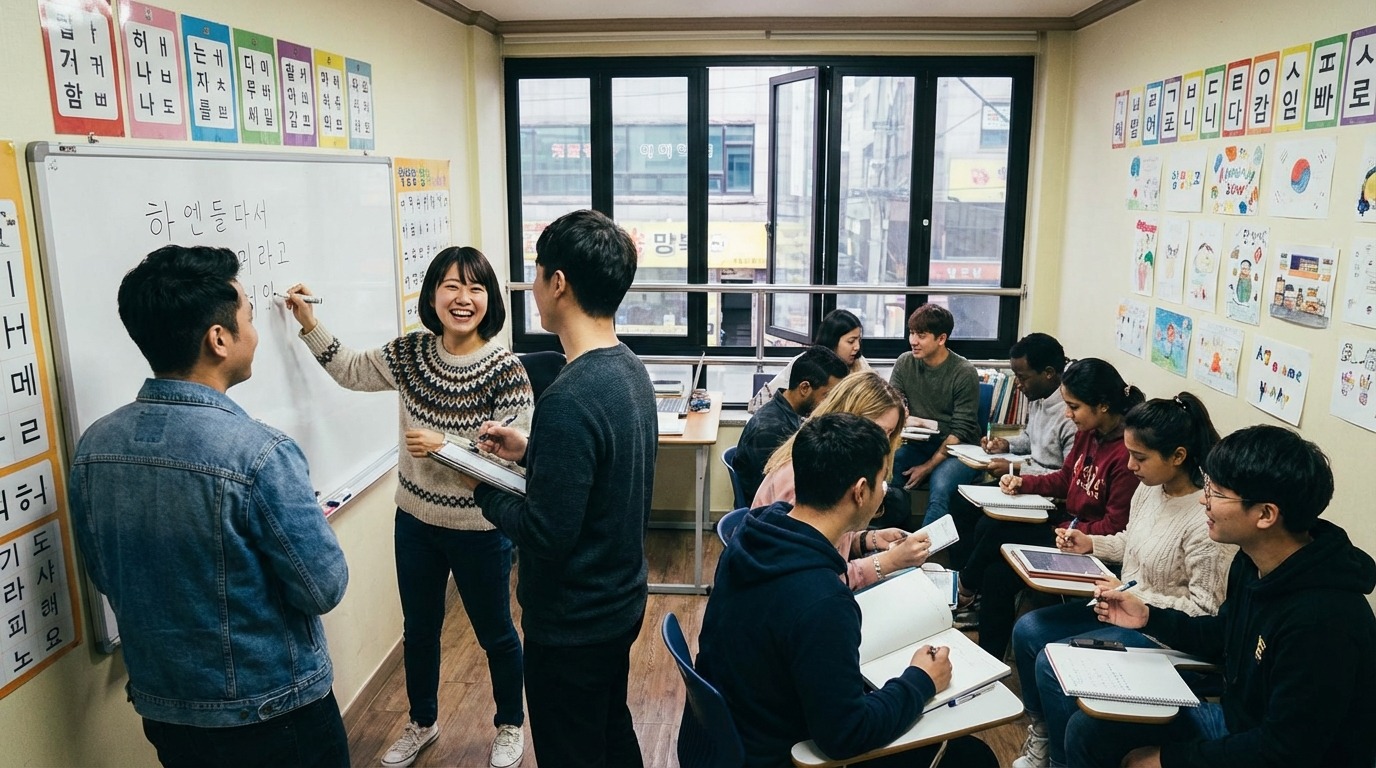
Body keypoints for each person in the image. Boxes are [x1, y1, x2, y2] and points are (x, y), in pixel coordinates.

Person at [68, 245, 350, 767]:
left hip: (167, 710)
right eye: (248, 316)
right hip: (273, 712)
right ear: (218, 338)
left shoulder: (95, 446)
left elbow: (108, 575)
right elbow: (323, 586)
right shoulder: (259, 453)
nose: (256, 330)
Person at [284, 246, 532, 768]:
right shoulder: (411, 353)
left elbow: (516, 465)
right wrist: (310, 325)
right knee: (419, 628)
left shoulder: (505, 370)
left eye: (476, 288)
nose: (463, 299)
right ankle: (422, 722)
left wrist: (448, 448)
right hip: (414, 520)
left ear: (489, 299)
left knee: (496, 633)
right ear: (433, 294)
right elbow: (351, 369)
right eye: (451, 286)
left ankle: (510, 724)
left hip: (480, 527)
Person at [691, 413, 997, 768]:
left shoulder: (755, 532)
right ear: (861, 490)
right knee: (973, 758)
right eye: (883, 481)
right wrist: (921, 681)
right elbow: (845, 735)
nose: (885, 491)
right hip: (780, 753)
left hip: (731, 736)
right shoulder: (822, 600)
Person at [464, 210, 657, 768]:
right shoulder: (628, 370)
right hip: (618, 604)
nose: (532, 286)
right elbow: (605, 472)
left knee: (573, 749)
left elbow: (546, 534)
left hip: (574, 623)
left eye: (536, 272)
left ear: (558, 283)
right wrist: (531, 451)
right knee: (609, 730)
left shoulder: (570, 397)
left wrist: (480, 485)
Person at [1066, 425, 1376, 768]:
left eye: (1217, 491)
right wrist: (1149, 618)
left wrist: (1171, 759)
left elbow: (1286, 750)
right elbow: (1222, 635)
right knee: (1090, 729)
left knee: (1113, 742)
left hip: (1276, 750)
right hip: (1238, 723)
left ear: (1265, 514)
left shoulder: (1323, 620)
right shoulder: (1252, 561)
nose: (1204, 499)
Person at [1009, 393, 1235, 768]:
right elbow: (1132, 539)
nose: (1130, 465)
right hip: (1126, 609)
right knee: (1029, 629)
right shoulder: (1149, 488)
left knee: (1053, 661)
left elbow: (1206, 611)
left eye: (1140, 457)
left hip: (1163, 633)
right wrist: (1090, 543)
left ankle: (1062, 762)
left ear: (1178, 456)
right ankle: (1045, 734)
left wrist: (1141, 602)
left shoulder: (1204, 519)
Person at [956, 358, 1144, 661]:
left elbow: (1115, 525)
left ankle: (963, 591)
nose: (1068, 414)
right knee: (995, 572)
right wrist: (1023, 482)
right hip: (1067, 529)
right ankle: (988, 660)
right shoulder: (1088, 432)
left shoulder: (1127, 455)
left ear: (1104, 406)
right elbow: (1067, 478)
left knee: (997, 532)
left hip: (1088, 547)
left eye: (1074, 406)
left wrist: (1071, 532)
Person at [753, 371, 931, 590]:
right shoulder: (801, 475)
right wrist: (890, 561)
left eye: (888, 433)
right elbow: (821, 580)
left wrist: (867, 540)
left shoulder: (823, 462)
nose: (883, 443)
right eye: (876, 430)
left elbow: (826, 543)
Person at [943, 333, 1077, 565]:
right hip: (1024, 481)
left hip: (1046, 497)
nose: (1017, 383)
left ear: (1048, 373)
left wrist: (1015, 469)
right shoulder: (1039, 397)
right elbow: (1030, 438)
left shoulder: (1071, 416)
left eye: (1022, 377)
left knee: (988, 523)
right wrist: (1006, 444)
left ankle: (969, 583)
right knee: (960, 501)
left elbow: (1066, 480)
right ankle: (961, 573)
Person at [888, 303, 983, 528]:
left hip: (959, 451)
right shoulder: (904, 362)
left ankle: (926, 550)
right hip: (918, 443)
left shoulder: (963, 372)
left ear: (941, 339)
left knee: (940, 486)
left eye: (921, 336)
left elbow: (960, 431)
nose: (913, 341)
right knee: (892, 469)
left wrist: (927, 467)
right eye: (911, 333)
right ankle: (893, 539)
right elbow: (894, 406)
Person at [734, 345, 847, 502]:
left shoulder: (789, 414)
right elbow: (778, 495)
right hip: (770, 517)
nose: (831, 403)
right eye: (827, 395)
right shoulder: (769, 430)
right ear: (805, 388)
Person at [748, 308, 872, 412]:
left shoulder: (860, 365)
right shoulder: (806, 363)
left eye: (858, 340)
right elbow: (760, 404)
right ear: (833, 340)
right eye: (851, 341)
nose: (857, 347)